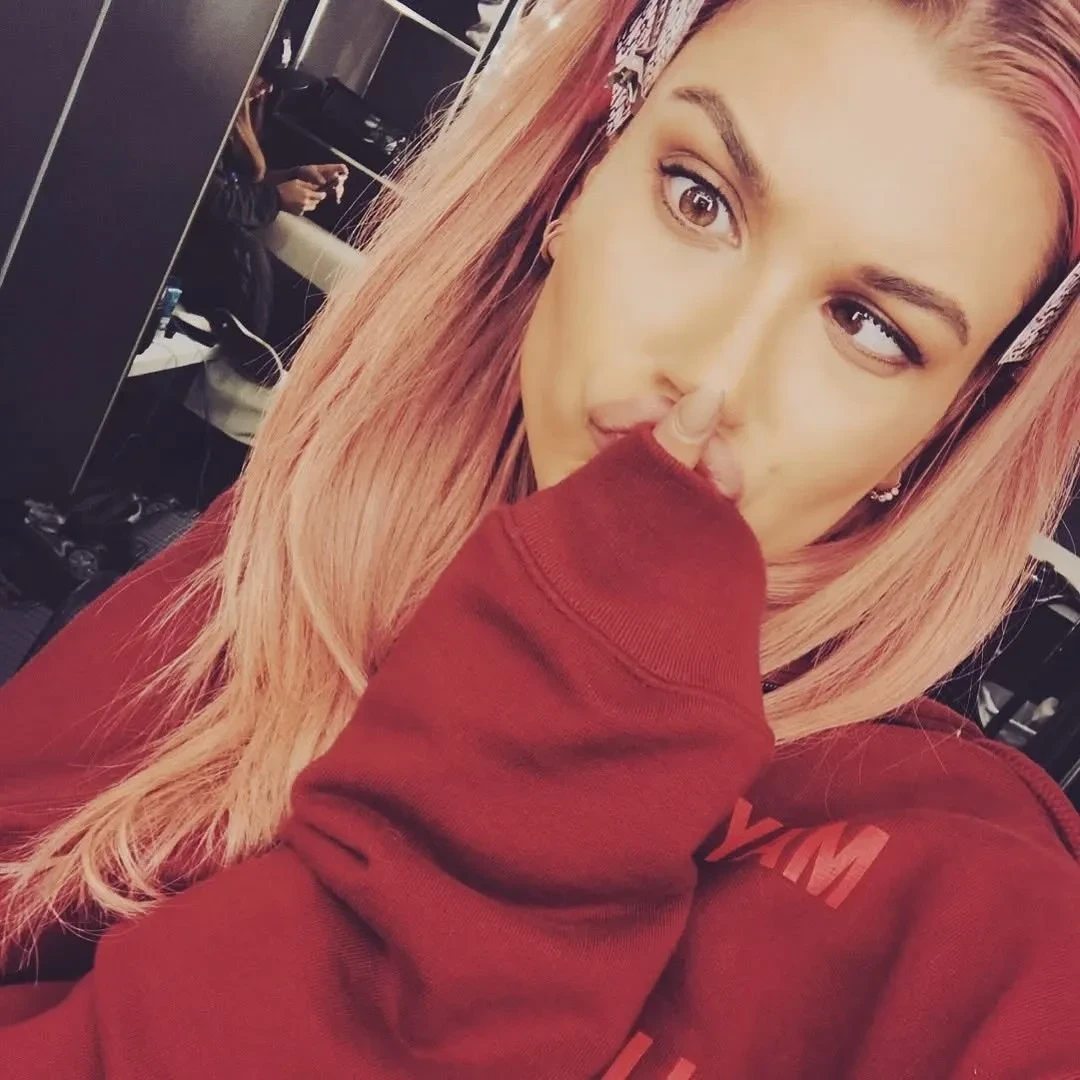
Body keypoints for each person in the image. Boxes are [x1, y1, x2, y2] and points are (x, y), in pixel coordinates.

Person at [1, 0, 1079, 1075]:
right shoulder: (305, 541)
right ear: (581, 180)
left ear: (939, 437)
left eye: (870, 328)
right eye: (698, 198)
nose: (713, 377)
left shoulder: (971, 903)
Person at [173, 63, 348, 382]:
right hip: (184, 243)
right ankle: (249, 351)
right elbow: (211, 199)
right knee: (247, 255)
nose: (268, 88)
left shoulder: (241, 115)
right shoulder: (202, 114)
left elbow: (238, 183)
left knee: (317, 307)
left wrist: (297, 175)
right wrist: (276, 198)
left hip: (218, 237)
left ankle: (324, 375)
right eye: (264, 77)